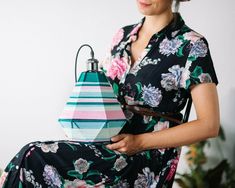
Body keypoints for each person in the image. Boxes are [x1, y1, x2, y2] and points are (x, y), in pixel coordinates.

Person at [0, 0, 220, 187]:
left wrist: (140, 142)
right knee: (30, 159)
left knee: (33, 155)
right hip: (104, 145)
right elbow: (101, 98)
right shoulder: (121, 36)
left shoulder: (192, 45)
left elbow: (209, 125)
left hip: (143, 159)